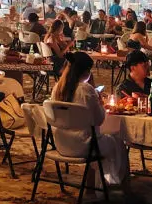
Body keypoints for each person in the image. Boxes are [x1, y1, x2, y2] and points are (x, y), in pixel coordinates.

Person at [49, 51, 129, 190]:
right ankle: (114, 183)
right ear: (86, 71)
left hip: (62, 143)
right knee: (117, 141)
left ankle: (95, 183)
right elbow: (99, 119)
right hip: (84, 145)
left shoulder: (57, 88)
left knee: (103, 140)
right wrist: (100, 103)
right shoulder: (86, 90)